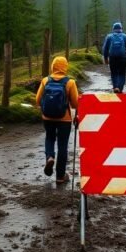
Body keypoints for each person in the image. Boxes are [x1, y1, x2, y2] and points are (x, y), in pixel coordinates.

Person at [35, 56, 80, 184]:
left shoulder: (45, 81)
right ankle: (60, 176)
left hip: (47, 117)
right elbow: (76, 104)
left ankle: (49, 157)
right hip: (64, 119)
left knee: (49, 138)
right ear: (65, 67)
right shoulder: (70, 82)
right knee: (63, 145)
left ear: (53, 66)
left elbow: (37, 101)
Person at [102, 22, 126, 93]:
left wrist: (105, 58)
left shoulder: (109, 37)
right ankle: (120, 88)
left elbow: (105, 49)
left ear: (113, 29)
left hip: (112, 58)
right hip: (122, 58)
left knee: (114, 73)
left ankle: (115, 87)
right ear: (121, 29)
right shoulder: (125, 37)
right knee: (122, 73)